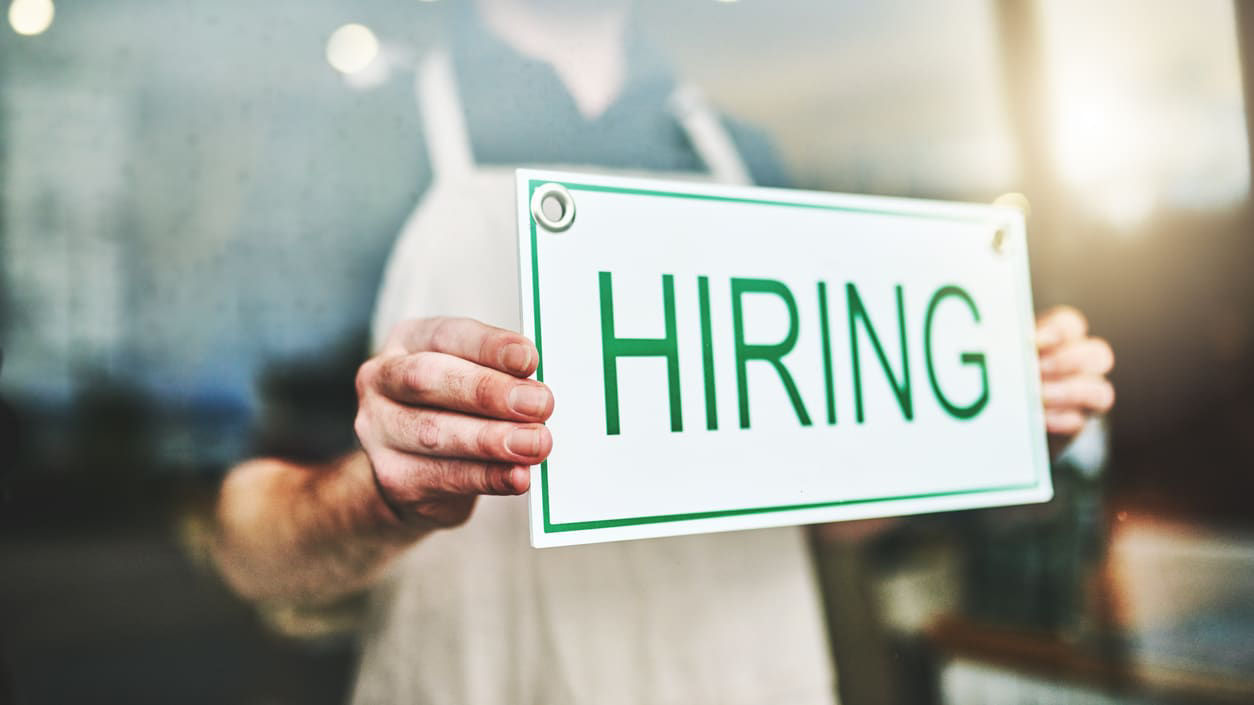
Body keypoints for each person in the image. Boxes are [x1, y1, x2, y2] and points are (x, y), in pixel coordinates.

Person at [211, 1, 1116, 703]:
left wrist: (983, 432)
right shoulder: (359, 143)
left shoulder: (740, 152)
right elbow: (247, 546)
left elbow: (825, 514)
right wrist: (380, 493)